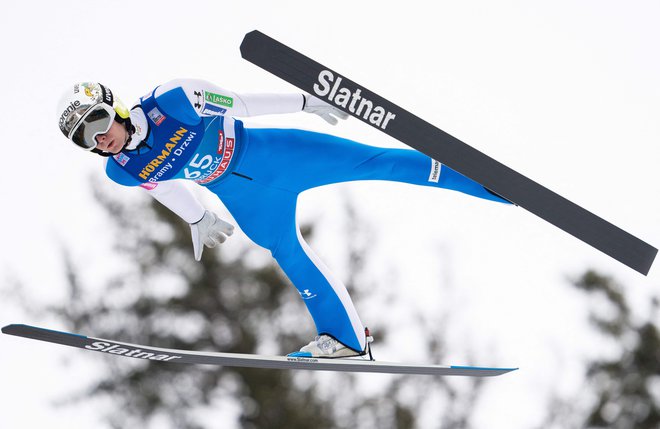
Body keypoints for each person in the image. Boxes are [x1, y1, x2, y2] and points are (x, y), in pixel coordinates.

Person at [57, 80, 511, 359]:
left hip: (276, 154)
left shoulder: (172, 101)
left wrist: (304, 101)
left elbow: (239, 103)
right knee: (285, 251)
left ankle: (488, 185)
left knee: (377, 162)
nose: (100, 140)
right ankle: (345, 340)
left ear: (112, 106)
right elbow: (162, 184)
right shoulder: (122, 170)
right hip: (242, 195)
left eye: (99, 124)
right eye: (87, 140)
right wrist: (197, 218)